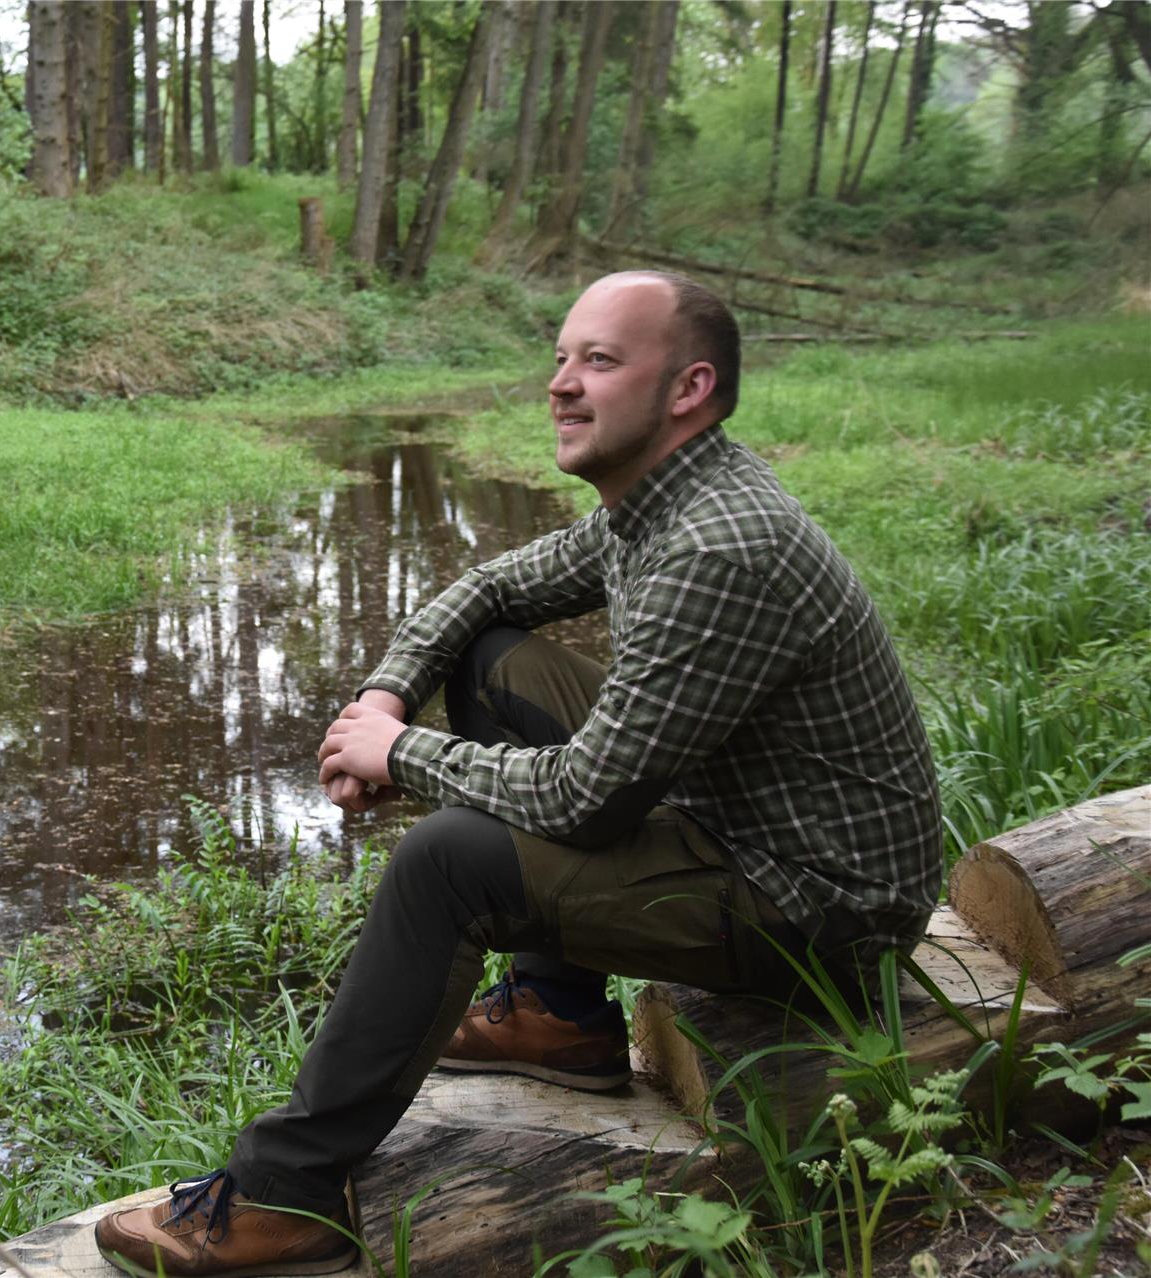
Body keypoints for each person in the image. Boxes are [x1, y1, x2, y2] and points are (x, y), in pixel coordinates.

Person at [94, 271, 942, 1278]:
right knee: (491, 652)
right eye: (560, 358)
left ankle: (289, 1195)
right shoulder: (656, 504)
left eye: (600, 360)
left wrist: (401, 757)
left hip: (824, 906)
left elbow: (585, 800)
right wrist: (388, 696)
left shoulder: (721, 548)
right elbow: (492, 586)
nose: (562, 384)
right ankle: (562, 1016)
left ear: (688, 389)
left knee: (449, 860)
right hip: (739, 813)